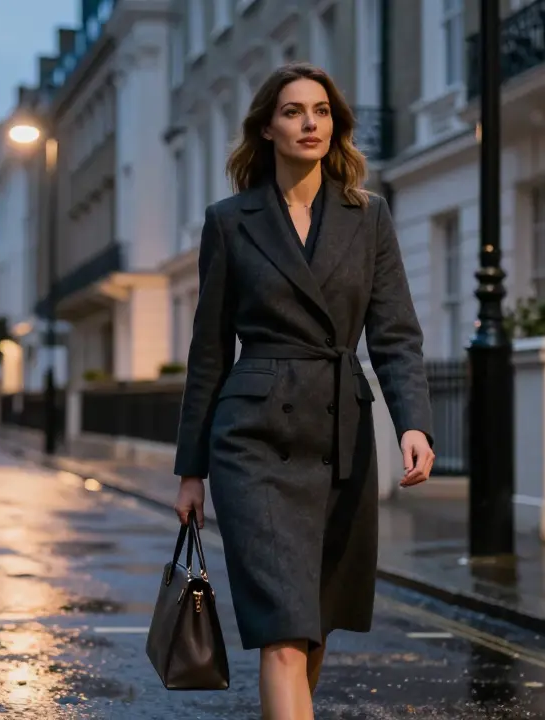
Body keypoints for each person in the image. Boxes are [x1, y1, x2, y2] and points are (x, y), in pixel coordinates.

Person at [171, 62, 436, 719]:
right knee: (283, 633)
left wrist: (414, 422)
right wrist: (191, 470)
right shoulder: (231, 222)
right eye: (292, 111)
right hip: (253, 439)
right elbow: (209, 350)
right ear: (268, 127)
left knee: (314, 623)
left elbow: (396, 332)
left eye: (321, 111)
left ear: (336, 125)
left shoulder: (367, 216)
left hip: (338, 436)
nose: (309, 122)